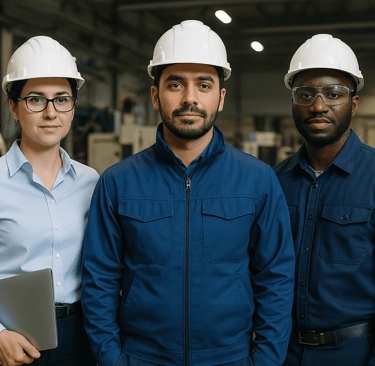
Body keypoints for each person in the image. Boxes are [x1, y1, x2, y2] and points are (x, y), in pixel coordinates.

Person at [81, 20, 295, 366]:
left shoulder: (258, 180)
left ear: (221, 98)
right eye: (175, 84)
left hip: (231, 358)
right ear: (155, 95)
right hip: (142, 357)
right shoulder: (118, 182)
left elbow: (276, 277)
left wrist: (266, 361)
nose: (190, 98)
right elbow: (99, 279)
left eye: (204, 85)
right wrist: (112, 359)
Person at [274, 34, 375, 365]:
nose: (318, 106)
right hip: (282, 352)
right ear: (293, 103)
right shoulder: (274, 181)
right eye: (305, 95)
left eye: (333, 94)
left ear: (354, 104)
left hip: (354, 354)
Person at [0, 36, 99, 366]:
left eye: (62, 100)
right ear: (14, 107)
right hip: (14, 337)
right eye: (35, 100)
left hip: (82, 333)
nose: (50, 113)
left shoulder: (91, 182)